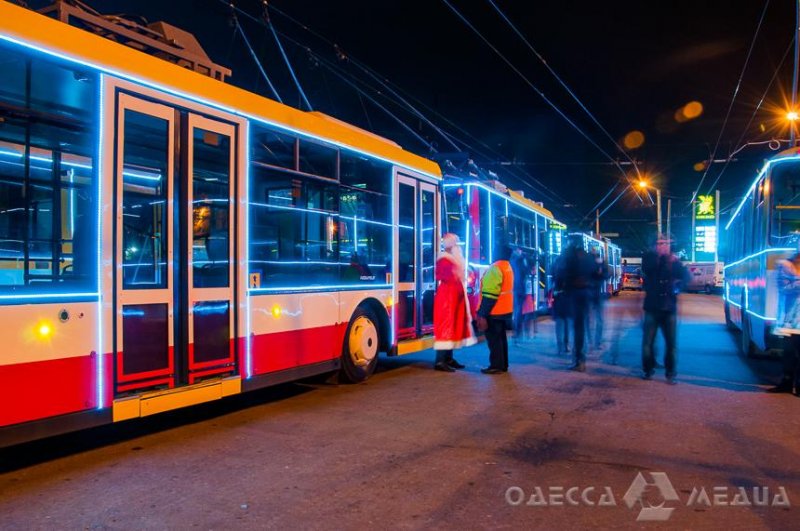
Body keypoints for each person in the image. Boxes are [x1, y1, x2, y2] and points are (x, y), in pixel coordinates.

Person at [641, 235, 688, 384]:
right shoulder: (649, 259)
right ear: (655, 246)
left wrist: (678, 288)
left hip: (669, 308)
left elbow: (686, 276)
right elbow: (647, 269)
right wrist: (661, 258)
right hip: (652, 307)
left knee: (671, 344)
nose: (662, 246)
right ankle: (648, 370)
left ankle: (670, 373)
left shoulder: (674, 262)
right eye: (659, 243)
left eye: (665, 243)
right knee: (647, 343)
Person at [433, 233, 476, 372]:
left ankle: (448, 358)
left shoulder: (452, 258)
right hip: (447, 298)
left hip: (453, 297)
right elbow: (445, 276)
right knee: (446, 326)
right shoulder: (445, 259)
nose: (457, 246)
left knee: (453, 326)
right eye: (455, 243)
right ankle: (440, 360)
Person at [556, 235, 596, 371]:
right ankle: (581, 356)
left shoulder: (569, 256)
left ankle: (578, 359)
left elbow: (560, 272)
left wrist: (560, 287)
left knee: (575, 326)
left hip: (573, 294)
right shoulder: (589, 257)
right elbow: (597, 273)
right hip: (586, 293)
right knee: (581, 326)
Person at [476, 245, 514, 374]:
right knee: (501, 339)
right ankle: (503, 365)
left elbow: (489, 295)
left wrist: (482, 314)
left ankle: (496, 366)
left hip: (495, 311)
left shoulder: (495, 268)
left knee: (494, 340)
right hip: (505, 310)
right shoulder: (507, 266)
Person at [768, 252, 800, 393]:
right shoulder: (784, 265)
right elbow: (783, 288)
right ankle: (787, 383)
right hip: (790, 321)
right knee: (790, 353)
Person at [588, 249, 608, 350]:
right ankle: (596, 342)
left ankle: (591, 342)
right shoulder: (596, 263)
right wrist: (600, 267)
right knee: (598, 320)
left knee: (590, 320)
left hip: (591, 295)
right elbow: (605, 275)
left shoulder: (588, 262)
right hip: (594, 295)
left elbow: (605, 275)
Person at [551, 259, 571, 354]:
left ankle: (560, 347)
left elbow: (554, 282)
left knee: (559, 324)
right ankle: (566, 345)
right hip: (567, 300)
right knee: (567, 324)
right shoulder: (571, 268)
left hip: (559, 299)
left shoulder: (557, 264)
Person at [510, 246, 529, 343]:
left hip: (513, 289)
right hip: (519, 289)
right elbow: (526, 271)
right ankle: (518, 331)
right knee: (518, 311)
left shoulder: (511, 261)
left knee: (516, 311)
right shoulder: (521, 260)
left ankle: (517, 331)